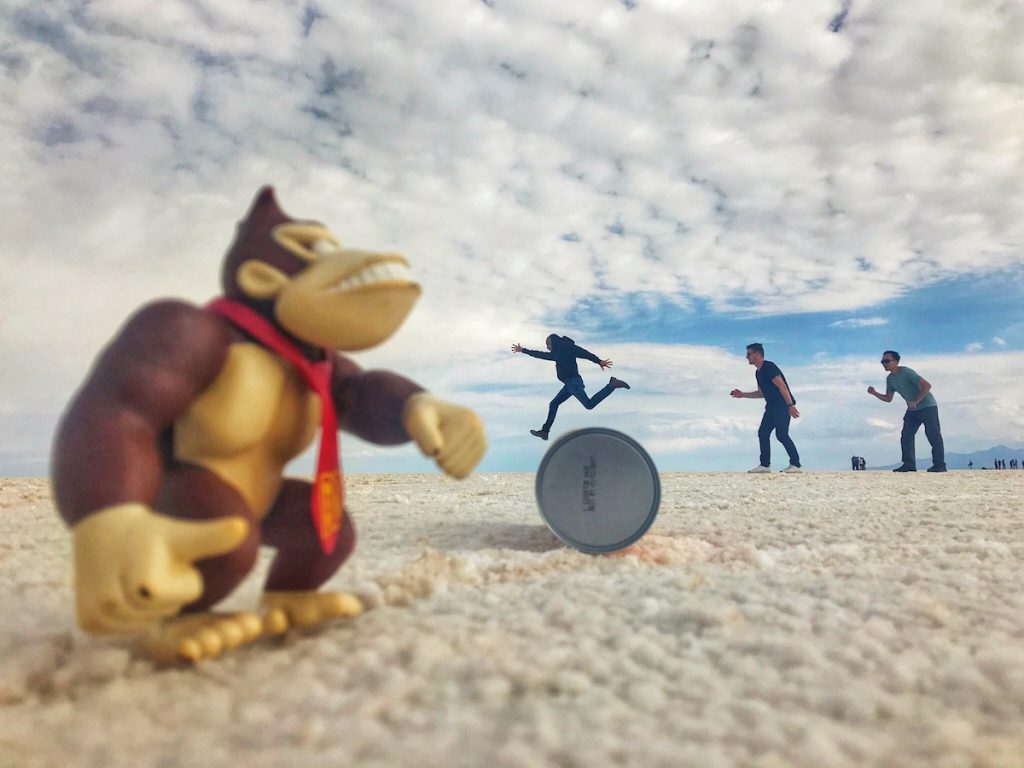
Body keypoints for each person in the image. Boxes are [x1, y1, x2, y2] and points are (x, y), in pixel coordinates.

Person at [512, 335, 630, 440]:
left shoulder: (559, 352)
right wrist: (598, 361)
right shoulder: (568, 348)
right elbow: (585, 353)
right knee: (553, 404)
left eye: (548, 344)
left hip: (573, 383)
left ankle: (611, 385)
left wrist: (523, 350)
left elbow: (541, 355)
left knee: (589, 405)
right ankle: (545, 432)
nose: (547, 347)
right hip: (569, 385)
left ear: (554, 342)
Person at [867, 350, 946, 472]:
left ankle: (940, 465)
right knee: (906, 435)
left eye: (887, 361)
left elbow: (927, 385)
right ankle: (909, 464)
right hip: (912, 409)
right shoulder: (890, 379)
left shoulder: (906, 372)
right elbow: (888, 398)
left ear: (896, 361)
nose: (884, 363)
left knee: (933, 434)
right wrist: (874, 393)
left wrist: (916, 401)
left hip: (928, 406)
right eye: (882, 361)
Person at [730, 343, 802, 473]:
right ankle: (765, 465)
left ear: (757, 354)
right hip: (771, 407)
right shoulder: (758, 372)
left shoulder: (769, 367)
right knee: (763, 433)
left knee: (781, 434)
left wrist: (790, 405)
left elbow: (782, 386)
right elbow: (761, 393)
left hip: (782, 405)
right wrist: (742, 395)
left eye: (749, 354)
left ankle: (795, 464)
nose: (747, 357)